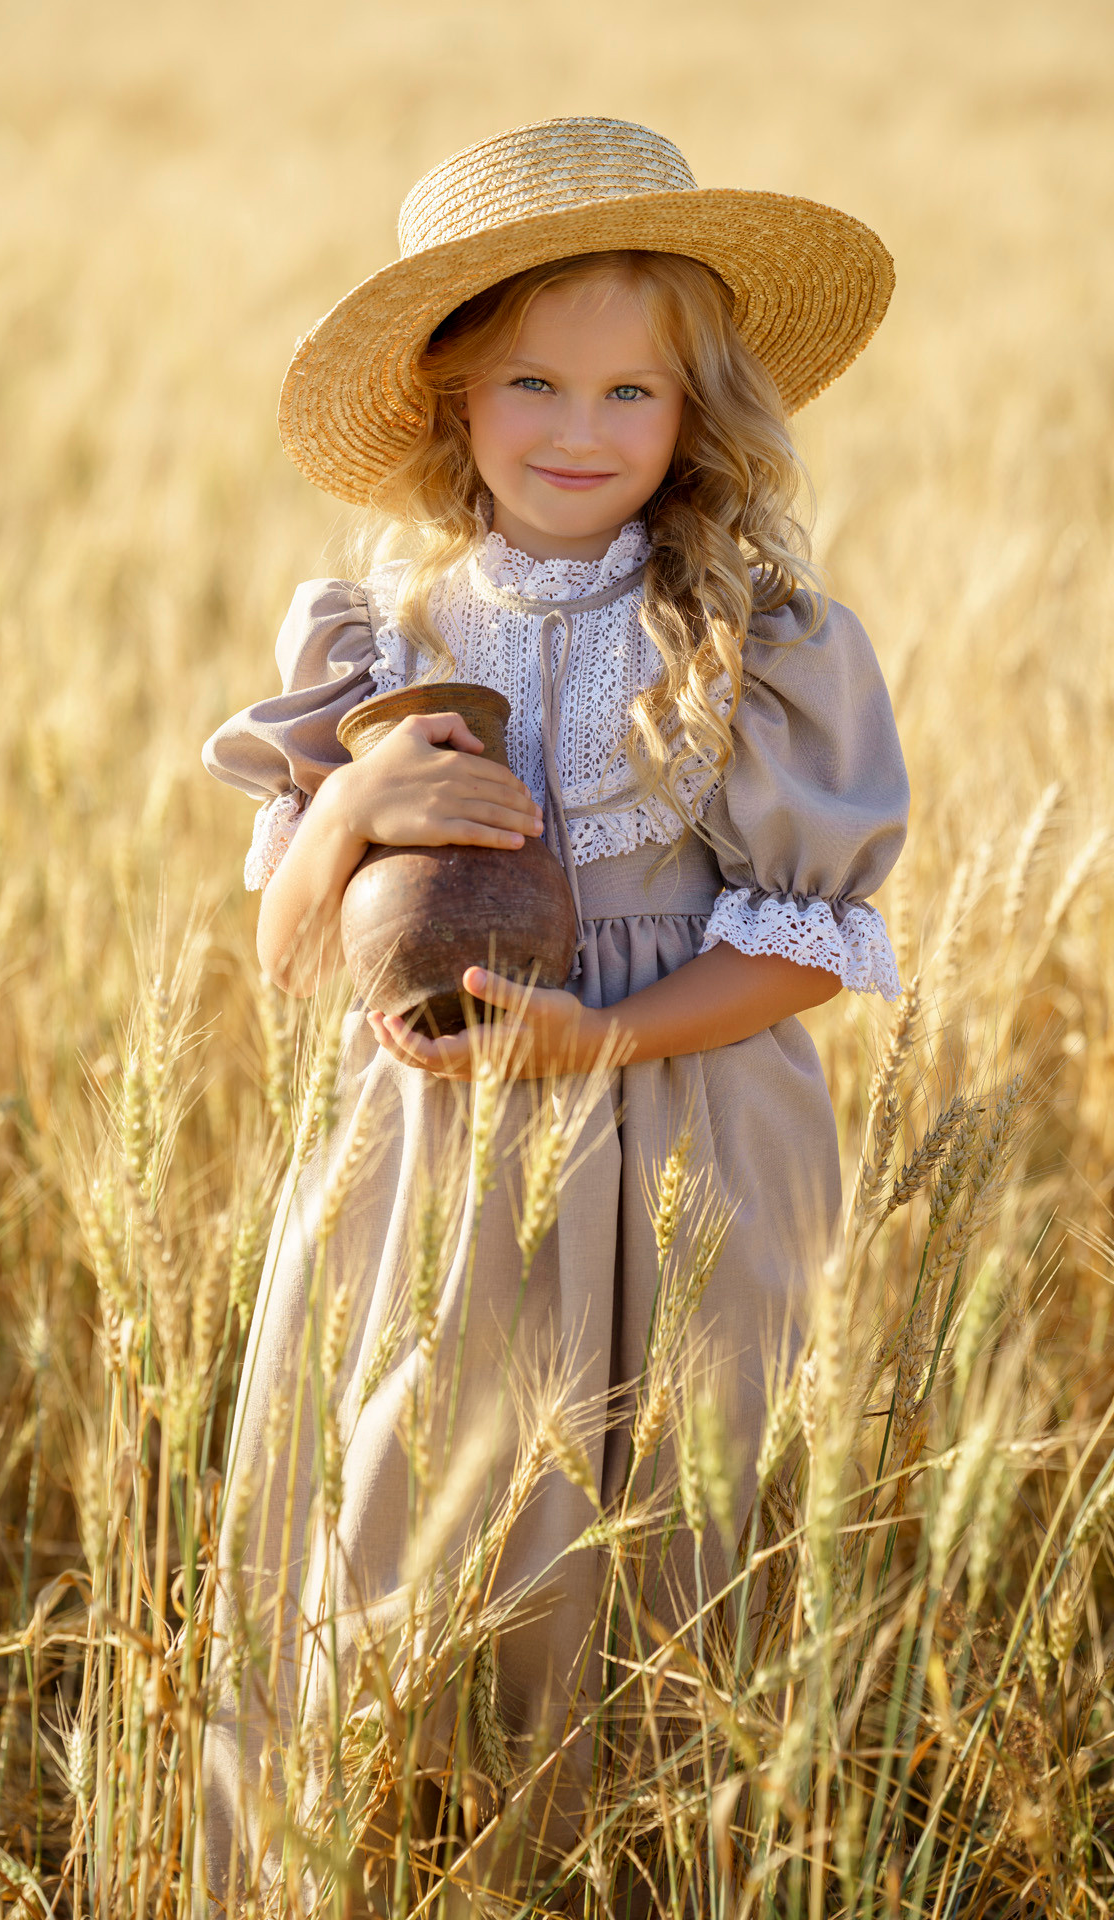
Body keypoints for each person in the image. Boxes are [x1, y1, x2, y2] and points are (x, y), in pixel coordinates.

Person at [199, 115, 909, 1910]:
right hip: (432, 1138)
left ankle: (651, 1869)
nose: (579, 433)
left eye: (631, 394)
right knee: (402, 1512)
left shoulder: (758, 632)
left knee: (673, 1516)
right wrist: (354, 813)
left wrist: (602, 1038)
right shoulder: (373, 636)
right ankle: (384, 1848)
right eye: (531, 381)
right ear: (447, 394)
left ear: (696, 413)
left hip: (686, 1122)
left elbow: (820, 944)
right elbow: (289, 951)